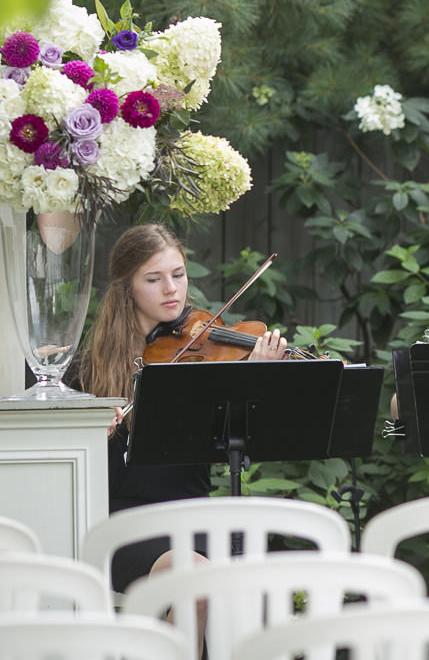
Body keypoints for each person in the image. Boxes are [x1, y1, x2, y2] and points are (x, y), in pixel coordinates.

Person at [69, 223, 290, 592]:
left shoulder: (206, 359)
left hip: (193, 519)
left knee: (255, 585)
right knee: (195, 582)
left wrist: (253, 380)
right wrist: (91, 434)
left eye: (178, 275)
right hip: (124, 527)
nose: (172, 289)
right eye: (154, 279)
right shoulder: (86, 372)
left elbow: (236, 444)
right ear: (127, 288)